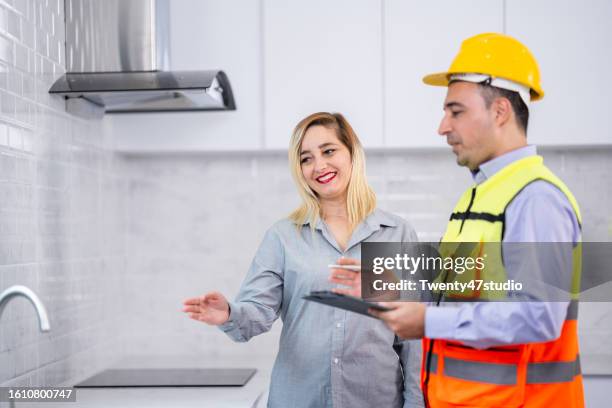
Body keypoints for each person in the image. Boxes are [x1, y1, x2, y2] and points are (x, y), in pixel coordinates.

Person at [369, 33, 584, 407]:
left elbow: (538, 318)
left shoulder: (535, 198)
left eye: (456, 111)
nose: (442, 126)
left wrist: (427, 323)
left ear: (499, 111)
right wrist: (384, 280)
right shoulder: (482, 193)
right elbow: (467, 284)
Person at [182, 112, 423, 408]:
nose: (319, 165)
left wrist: (417, 403)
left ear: (352, 153)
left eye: (328, 151)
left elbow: (413, 337)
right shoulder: (284, 237)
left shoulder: (396, 233)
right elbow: (256, 313)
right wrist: (229, 314)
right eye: (306, 158)